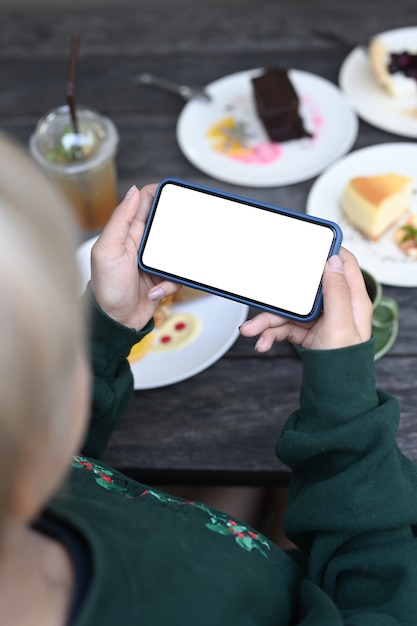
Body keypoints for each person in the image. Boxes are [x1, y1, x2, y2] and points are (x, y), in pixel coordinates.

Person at [0, 131, 416, 626]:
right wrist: (344, 402)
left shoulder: (28, 485)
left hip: (199, 535)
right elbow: (386, 592)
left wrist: (104, 327)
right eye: (55, 344)